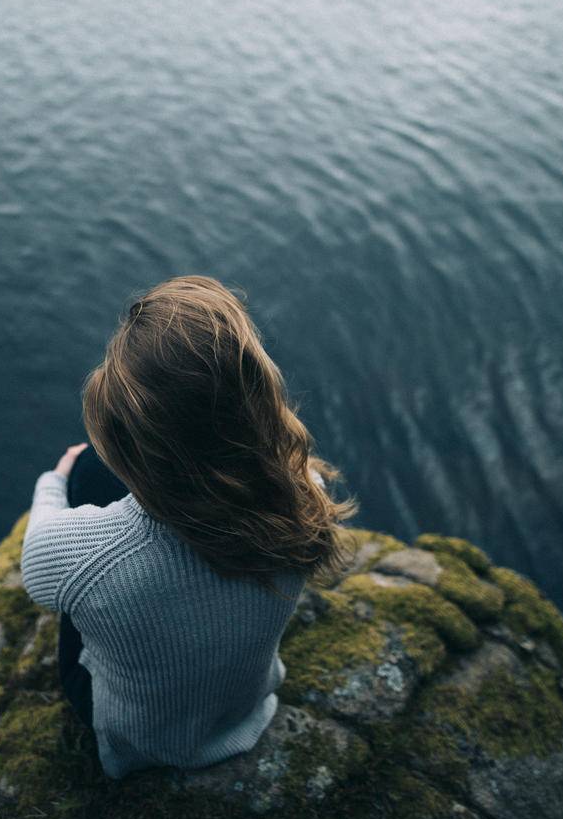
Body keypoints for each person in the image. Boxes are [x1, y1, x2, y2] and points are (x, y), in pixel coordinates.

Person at [21, 275, 358, 780]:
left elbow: (36, 557)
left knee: (88, 475)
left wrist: (56, 476)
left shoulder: (84, 557)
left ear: (139, 449)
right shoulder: (304, 496)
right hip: (244, 710)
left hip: (141, 738)